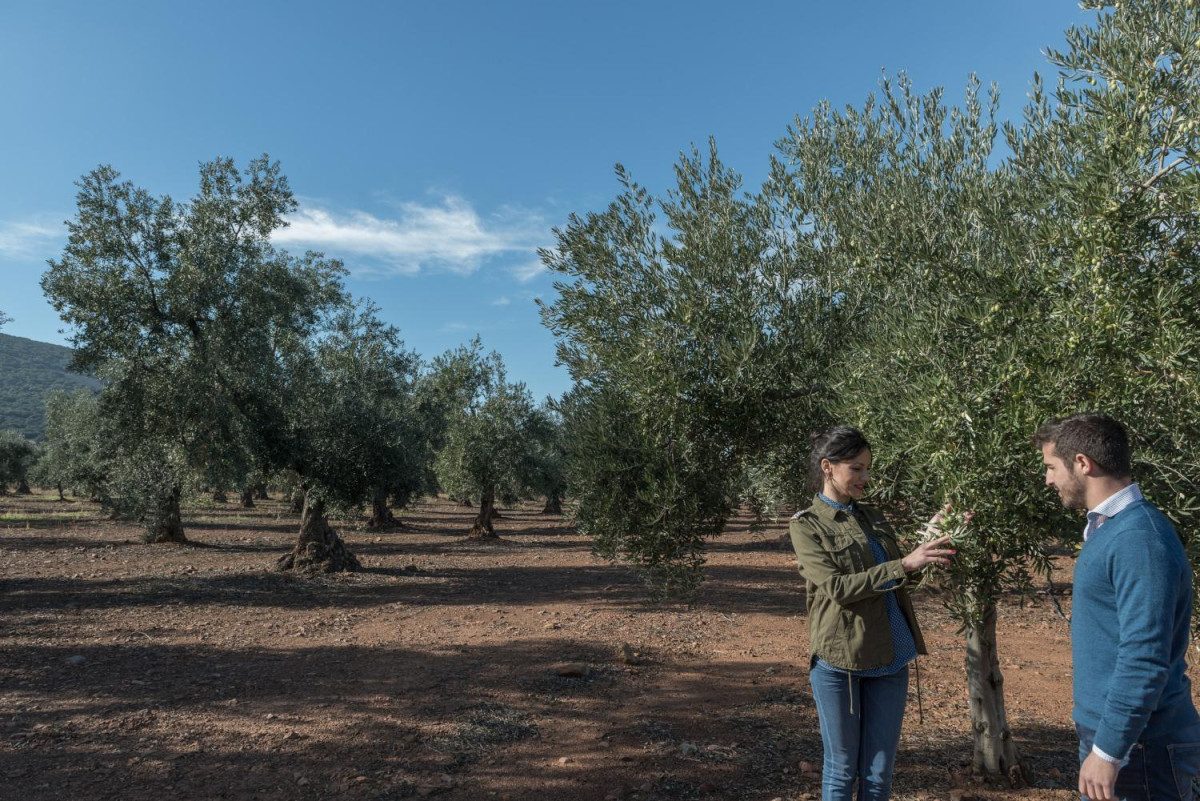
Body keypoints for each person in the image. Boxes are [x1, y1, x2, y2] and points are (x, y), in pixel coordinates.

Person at [1034, 413, 1200, 801]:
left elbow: (1144, 655)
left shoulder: (1138, 539)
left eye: (1050, 467)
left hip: (1142, 748)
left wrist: (1109, 750)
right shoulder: (1112, 529)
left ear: (1081, 463)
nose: (1048, 480)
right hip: (1125, 740)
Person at [789, 426, 955, 800]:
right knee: (841, 770)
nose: (866, 478)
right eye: (857, 468)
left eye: (868, 469)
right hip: (841, 663)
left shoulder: (873, 517)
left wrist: (929, 545)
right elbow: (838, 589)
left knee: (879, 774)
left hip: (891, 658)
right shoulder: (806, 525)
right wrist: (905, 565)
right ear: (828, 467)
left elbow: (897, 582)